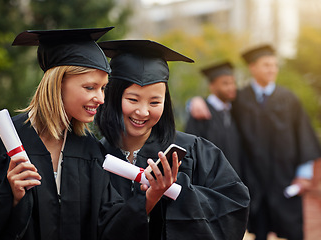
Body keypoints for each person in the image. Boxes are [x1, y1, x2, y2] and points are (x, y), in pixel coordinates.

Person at [0, 28, 178, 240]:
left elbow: (110, 227)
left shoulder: (89, 150)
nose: (100, 98)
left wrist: (150, 196)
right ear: (57, 84)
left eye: (103, 88)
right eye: (90, 87)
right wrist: (9, 195)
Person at [95, 39, 250, 240]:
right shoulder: (94, 156)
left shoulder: (193, 150)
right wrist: (147, 200)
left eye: (155, 102)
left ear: (165, 102)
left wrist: (179, 189)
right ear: (113, 96)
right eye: (133, 99)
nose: (143, 111)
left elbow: (234, 206)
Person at [188, 44, 321, 240]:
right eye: (266, 65)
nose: (272, 69)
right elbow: (216, 106)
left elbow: (304, 136)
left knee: (293, 231)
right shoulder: (240, 99)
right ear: (253, 68)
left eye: (274, 65)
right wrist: (193, 102)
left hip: (284, 180)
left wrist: (303, 175)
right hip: (254, 183)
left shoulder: (289, 98)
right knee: (256, 231)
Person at [184, 61, 243, 175]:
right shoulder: (201, 113)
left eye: (233, 83)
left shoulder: (234, 110)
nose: (231, 87)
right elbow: (192, 150)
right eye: (225, 83)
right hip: (211, 179)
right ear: (212, 86)